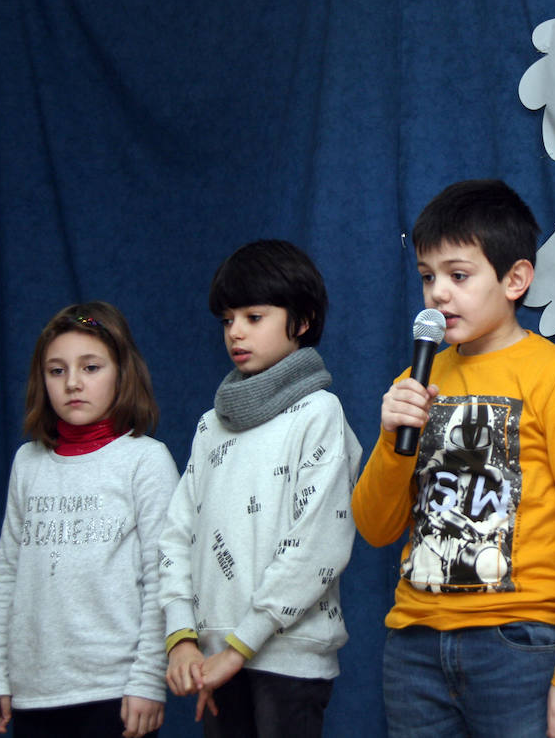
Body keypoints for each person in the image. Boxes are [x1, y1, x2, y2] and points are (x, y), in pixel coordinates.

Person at [352, 179, 555, 738]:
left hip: (517, 644)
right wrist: (390, 440)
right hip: (415, 647)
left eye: (458, 275)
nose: (438, 295)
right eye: (428, 277)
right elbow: (375, 528)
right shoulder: (415, 380)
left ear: (514, 279)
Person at [158, 239, 362, 738]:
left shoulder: (319, 414)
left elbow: (317, 546)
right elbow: (176, 534)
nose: (236, 333)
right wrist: (183, 638)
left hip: (288, 661)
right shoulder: (212, 425)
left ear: (304, 319)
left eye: (254, 316)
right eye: (228, 320)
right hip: (216, 658)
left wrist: (239, 646)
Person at [0, 301, 179, 738]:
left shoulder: (145, 460)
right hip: (34, 691)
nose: (73, 383)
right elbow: (8, 576)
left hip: (114, 692)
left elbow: (163, 578)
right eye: (57, 370)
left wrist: (148, 679)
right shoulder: (28, 463)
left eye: (90, 368)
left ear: (121, 373)